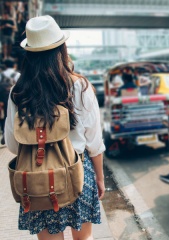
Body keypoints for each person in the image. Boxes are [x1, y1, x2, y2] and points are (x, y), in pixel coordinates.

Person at [4, 15, 105, 240]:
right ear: (62, 48)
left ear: (29, 54)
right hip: (78, 172)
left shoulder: (17, 93)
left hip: (36, 178)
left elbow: (12, 145)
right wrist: (99, 177)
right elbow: (94, 143)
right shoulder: (79, 86)